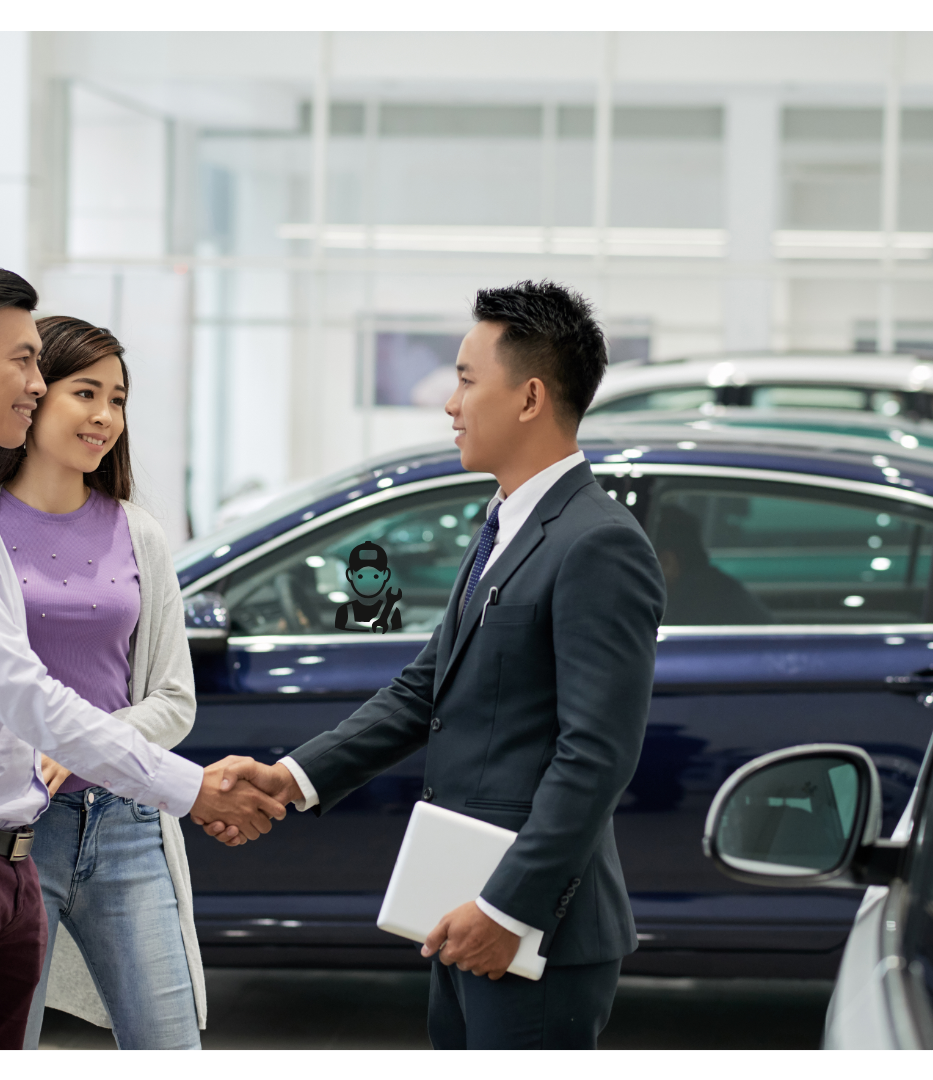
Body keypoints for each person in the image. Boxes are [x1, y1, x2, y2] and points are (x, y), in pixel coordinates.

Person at [0, 265, 283, 1050]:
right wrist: (192, 787)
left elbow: (56, 694)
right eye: (26, 361)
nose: (37, 384)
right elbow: (20, 692)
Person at [204, 280, 666, 1049]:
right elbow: (428, 689)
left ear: (528, 398)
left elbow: (597, 755)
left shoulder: (597, 543)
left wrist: (507, 910)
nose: (450, 405)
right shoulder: (508, 521)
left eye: (465, 379)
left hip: (531, 930)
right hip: (464, 909)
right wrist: (292, 779)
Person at [0, 317, 205, 1049]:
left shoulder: (138, 532)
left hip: (127, 823)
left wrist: (80, 747)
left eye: (118, 398)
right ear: (35, 396)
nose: (105, 415)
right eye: (86, 393)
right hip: (12, 830)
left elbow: (174, 701)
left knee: (171, 1047)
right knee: (4, 1044)